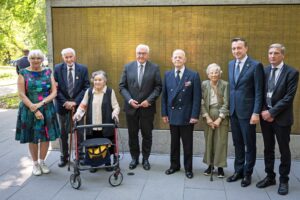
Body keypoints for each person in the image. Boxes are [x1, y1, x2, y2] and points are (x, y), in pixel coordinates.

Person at [256, 44, 299, 195]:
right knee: (268, 148)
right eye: (270, 53)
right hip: (265, 117)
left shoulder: (292, 72)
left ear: (283, 55)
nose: (272, 56)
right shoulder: (264, 71)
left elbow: (288, 98)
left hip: (281, 119)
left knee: (284, 150)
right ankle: (270, 176)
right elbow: (260, 92)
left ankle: (284, 180)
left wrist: (272, 112)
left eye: (276, 53)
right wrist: (263, 110)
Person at [226, 38, 264, 187]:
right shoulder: (230, 64)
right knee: (238, 143)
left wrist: (256, 112)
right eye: (234, 48)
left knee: (249, 144)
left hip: (248, 113)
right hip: (234, 111)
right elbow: (234, 88)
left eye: (239, 48)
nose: (236, 51)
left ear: (246, 48)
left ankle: (248, 174)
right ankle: (238, 170)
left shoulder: (255, 66)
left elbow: (259, 91)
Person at [15, 49, 60, 176]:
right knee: (33, 138)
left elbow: (54, 92)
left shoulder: (48, 72)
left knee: (46, 137)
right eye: (33, 58)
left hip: (46, 108)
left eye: (38, 58)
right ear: (29, 59)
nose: (36, 60)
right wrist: (34, 109)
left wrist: (40, 105)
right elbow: (22, 94)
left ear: (42, 59)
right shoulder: (23, 73)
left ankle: (42, 162)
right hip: (29, 109)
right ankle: (35, 164)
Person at [119, 44, 162, 170]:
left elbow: (158, 87)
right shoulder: (128, 67)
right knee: (132, 135)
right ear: (135, 53)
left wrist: (149, 100)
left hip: (147, 108)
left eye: (143, 53)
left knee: (147, 135)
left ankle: (146, 159)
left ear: (147, 55)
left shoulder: (154, 68)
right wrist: (129, 100)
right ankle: (134, 158)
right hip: (131, 108)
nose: (141, 55)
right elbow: (122, 86)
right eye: (139, 53)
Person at [161, 49, 201, 179]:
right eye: (175, 57)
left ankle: (188, 168)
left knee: (187, 144)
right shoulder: (167, 75)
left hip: (187, 116)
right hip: (172, 114)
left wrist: (195, 115)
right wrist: (164, 113)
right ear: (172, 59)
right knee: (174, 143)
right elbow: (165, 96)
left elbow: (196, 97)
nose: (177, 59)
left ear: (185, 59)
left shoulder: (193, 75)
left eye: (180, 57)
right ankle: (174, 166)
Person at [73, 70, 120, 172]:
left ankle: (107, 162)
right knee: (93, 145)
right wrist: (77, 114)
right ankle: (93, 164)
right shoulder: (89, 92)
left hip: (106, 124)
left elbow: (116, 106)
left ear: (105, 81)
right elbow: (83, 106)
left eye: (100, 80)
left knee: (107, 144)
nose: (97, 82)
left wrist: (115, 113)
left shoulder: (110, 92)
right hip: (92, 125)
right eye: (95, 80)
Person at [54, 48, 90, 168]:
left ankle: (80, 156)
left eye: (70, 57)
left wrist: (75, 102)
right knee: (63, 133)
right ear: (63, 58)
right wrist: (66, 102)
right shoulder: (58, 69)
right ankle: (64, 156)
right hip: (62, 106)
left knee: (79, 132)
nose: (69, 59)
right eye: (66, 57)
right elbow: (55, 89)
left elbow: (86, 87)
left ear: (74, 57)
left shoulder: (83, 69)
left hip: (78, 106)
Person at [201, 63, 229, 178]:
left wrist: (219, 119)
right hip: (208, 114)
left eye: (216, 72)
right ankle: (210, 165)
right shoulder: (204, 84)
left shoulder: (225, 84)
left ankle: (220, 166)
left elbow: (227, 102)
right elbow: (201, 102)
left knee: (221, 142)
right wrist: (207, 117)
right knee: (209, 141)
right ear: (208, 74)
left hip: (221, 116)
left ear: (220, 73)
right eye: (211, 72)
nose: (214, 74)